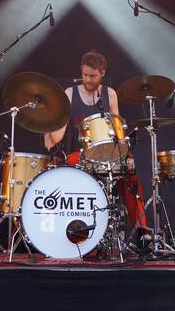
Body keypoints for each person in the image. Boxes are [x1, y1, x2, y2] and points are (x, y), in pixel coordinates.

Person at [44, 49, 147, 237]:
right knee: (68, 167)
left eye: (92, 75)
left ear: (102, 73)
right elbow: (58, 132)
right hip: (80, 154)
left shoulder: (110, 94)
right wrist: (48, 133)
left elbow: (118, 131)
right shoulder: (69, 93)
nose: (88, 79)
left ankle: (142, 233)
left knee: (130, 175)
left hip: (109, 153)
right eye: (84, 75)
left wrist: (126, 154)